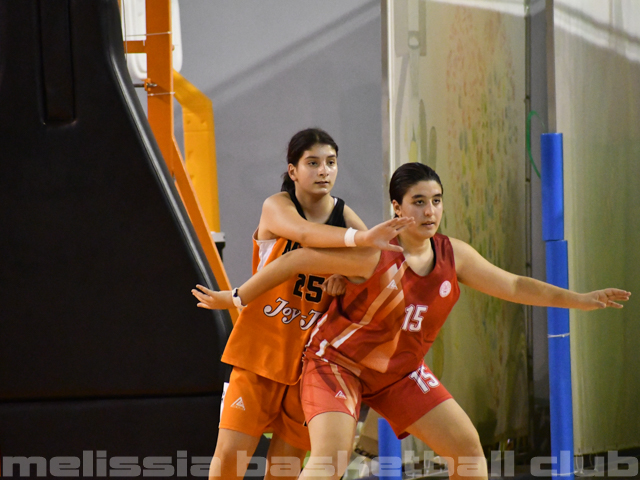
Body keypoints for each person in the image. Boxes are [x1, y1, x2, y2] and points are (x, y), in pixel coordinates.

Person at [193, 162, 631, 480]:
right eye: (418, 202)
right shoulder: (374, 253)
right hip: (337, 364)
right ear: (397, 208)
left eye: (435, 202)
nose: (429, 211)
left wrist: (580, 300)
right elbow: (299, 258)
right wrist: (237, 295)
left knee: (469, 455)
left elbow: (515, 285)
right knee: (329, 462)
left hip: (398, 373)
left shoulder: (454, 255)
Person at [194, 128, 413, 480]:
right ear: (293, 171)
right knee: (227, 466)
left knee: (285, 472)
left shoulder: (344, 214)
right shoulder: (277, 206)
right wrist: (359, 241)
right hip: (259, 354)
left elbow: (375, 268)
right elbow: (306, 235)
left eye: (331, 162)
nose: (323, 170)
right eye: (313, 163)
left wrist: (348, 278)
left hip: (310, 364)